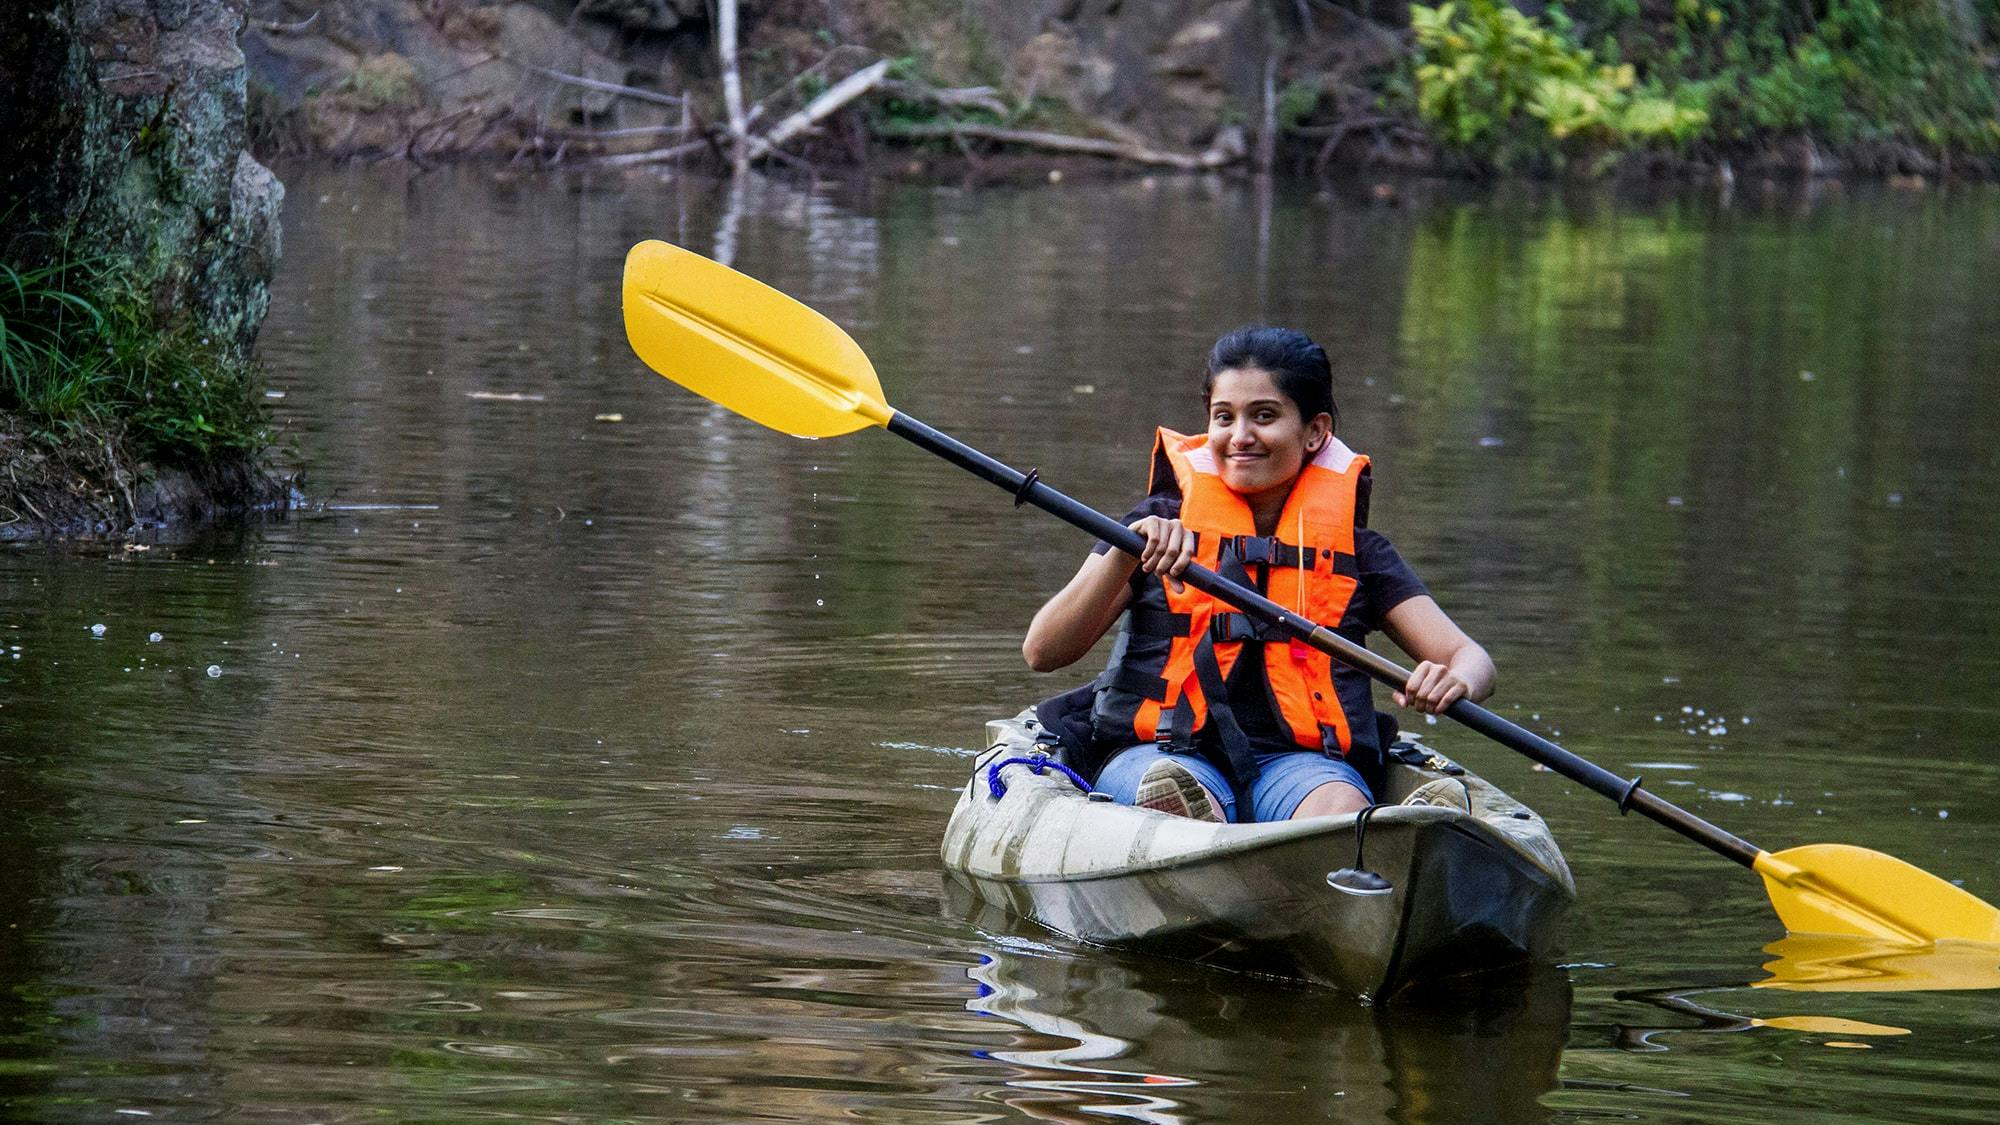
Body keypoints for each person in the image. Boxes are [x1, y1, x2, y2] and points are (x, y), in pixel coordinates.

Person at [1022, 326, 1495, 823]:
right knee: (1171, 790)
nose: (1240, 436)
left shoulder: (1360, 552)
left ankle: (1403, 832)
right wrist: (1127, 553)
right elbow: (1043, 651)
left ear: (1315, 432)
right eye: (1223, 417)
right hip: (1160, 754)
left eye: (1264, 416)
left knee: (1338, 807)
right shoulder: (1153, 526)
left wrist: (1454, 680)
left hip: (1303, 766)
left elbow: (1471, 659)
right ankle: (1206, 839)